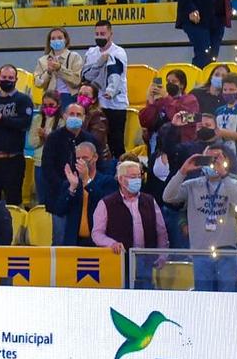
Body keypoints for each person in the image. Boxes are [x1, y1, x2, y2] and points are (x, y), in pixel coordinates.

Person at [165, 145, 237, 291]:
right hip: (200, 251)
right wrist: (182, 171)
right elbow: (168, 197)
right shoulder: (192, 185)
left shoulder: (235, 184)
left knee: (227, 298)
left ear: (226, 161)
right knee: (203, 299)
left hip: (227, 251)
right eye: (208, 159)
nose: (212, 163)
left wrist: (224, 174)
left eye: (216, 159)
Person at [93, 160, 170, 278]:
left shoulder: (149, 200)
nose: (137, 180)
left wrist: (162, 254)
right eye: (133, 177)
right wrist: (111, 243)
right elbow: (97, 234)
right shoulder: (106, 204)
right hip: (119, 263)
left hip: (147, 263)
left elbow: (161, 231)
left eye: (139, 176)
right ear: (120, 179)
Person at [0, 66, 34, 206]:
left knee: (13, 201)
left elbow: (24, 123)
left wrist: (1, 119)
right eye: (4, 78)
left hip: (12, 160)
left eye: (10, 78)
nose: (7, 80)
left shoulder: (23, 100)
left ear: (16, 79)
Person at [81, 20, 131, 150]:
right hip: (96, 104)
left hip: (116, 105)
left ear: (110, 34)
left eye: (102, 33)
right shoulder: (91, 52)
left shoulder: (119, 52)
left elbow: (116, 74)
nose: (99, 37)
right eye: (97, 34)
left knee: (116, 143)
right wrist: (99, 63)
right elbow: (86, 76)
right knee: (96, 141)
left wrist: (110, 91)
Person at [54, 141, 112, 248]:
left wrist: (87, 180)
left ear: (95, 157)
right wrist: (72, 188)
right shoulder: (71, 182)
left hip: (97, 243)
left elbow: (104, 204)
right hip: (74, 242)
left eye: (85, 158)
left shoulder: (107, 181)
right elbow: (59, 210)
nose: (81, 162)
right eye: (78, 158)